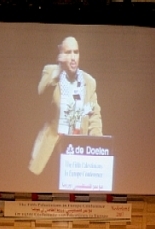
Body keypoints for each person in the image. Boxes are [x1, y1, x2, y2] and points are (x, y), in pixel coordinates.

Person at [29, 36, 103, 175]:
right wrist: (58, 71)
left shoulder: (89, 81)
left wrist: (97, 145)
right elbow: (39, 96)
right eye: (68, 53)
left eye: (76, 52)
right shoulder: (50, 72)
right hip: (51, 150)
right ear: (61, 54)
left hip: (77, 151)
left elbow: (94, 115)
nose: (73, 57)